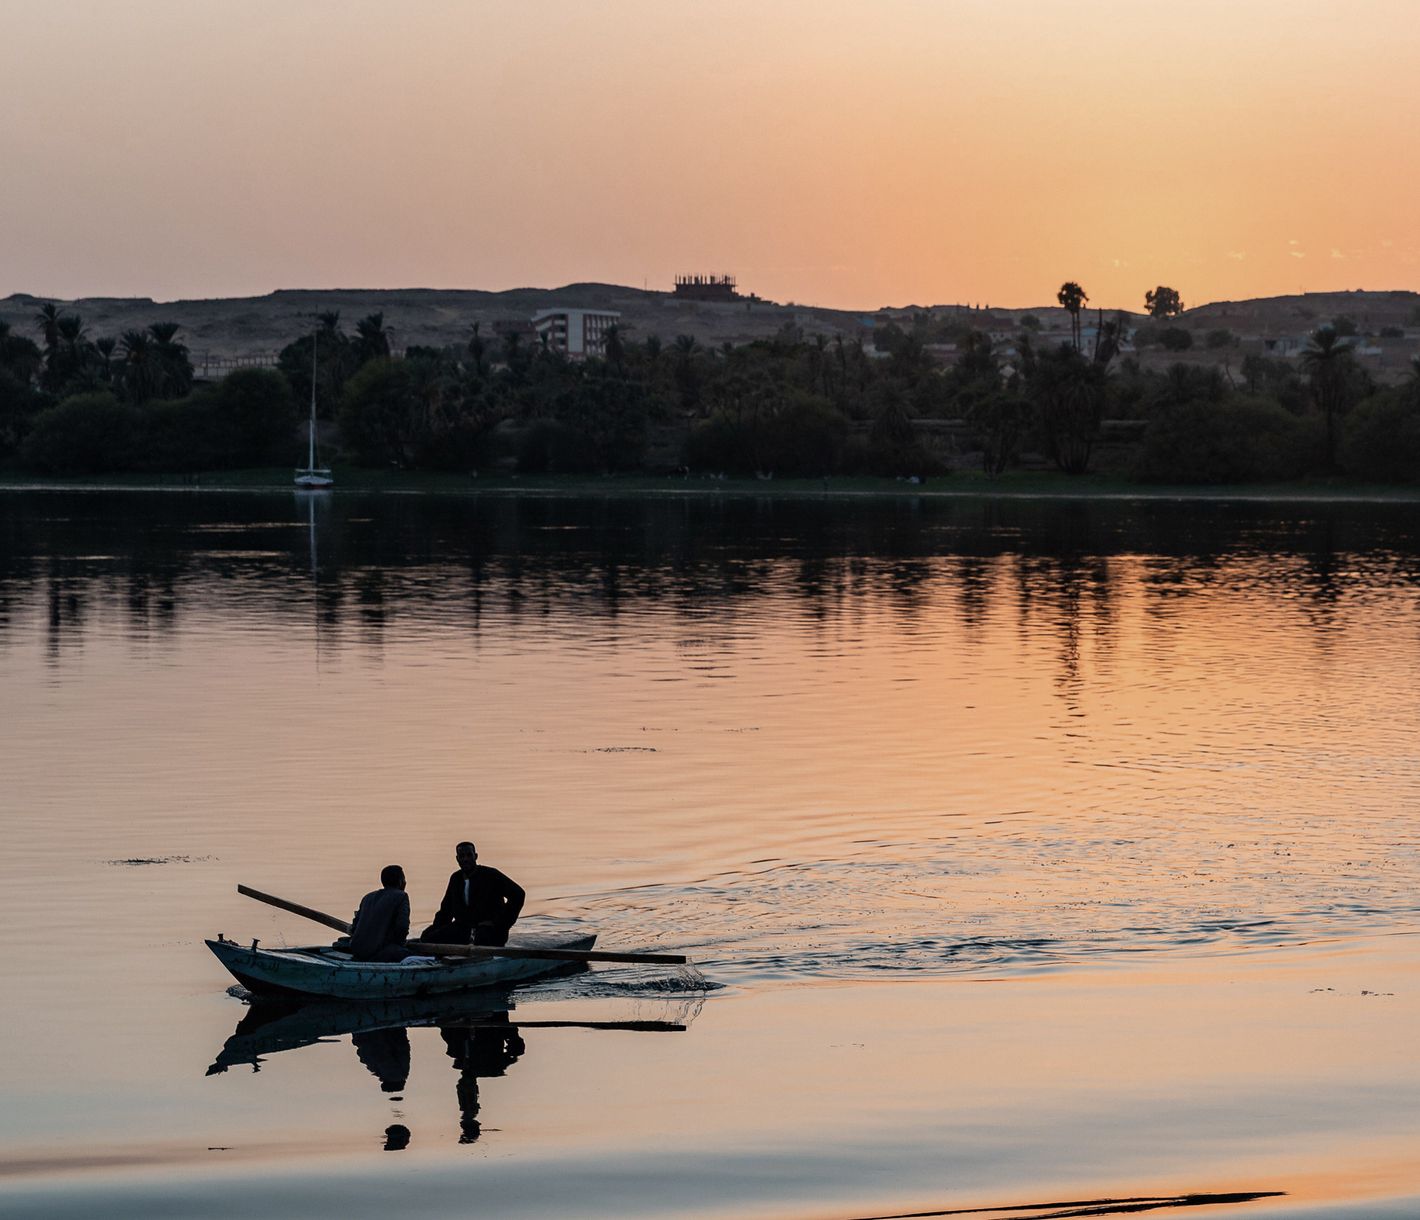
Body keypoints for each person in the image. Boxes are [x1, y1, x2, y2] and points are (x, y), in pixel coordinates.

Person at [420, 842, 524, 947]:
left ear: (476, 856)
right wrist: (436, 929)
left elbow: (518, 895)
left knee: (481, 939)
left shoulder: (491, 875)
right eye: (462, 856)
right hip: (463, 928)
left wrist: (500, 924)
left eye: (469, 855)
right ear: (457, 859)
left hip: (489, 930)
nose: (465, 859)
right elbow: (446, 910)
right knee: (427, 937)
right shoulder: (456, 879)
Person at [349, 864, 411, 962]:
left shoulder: (367, 897)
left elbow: (354, 928)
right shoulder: (401, 896)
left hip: (357, 951)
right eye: (404, 879)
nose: (405, 882)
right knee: (414, 955)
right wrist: (400, 944)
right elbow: (402, 927)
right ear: (400, 882)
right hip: (379, 953)